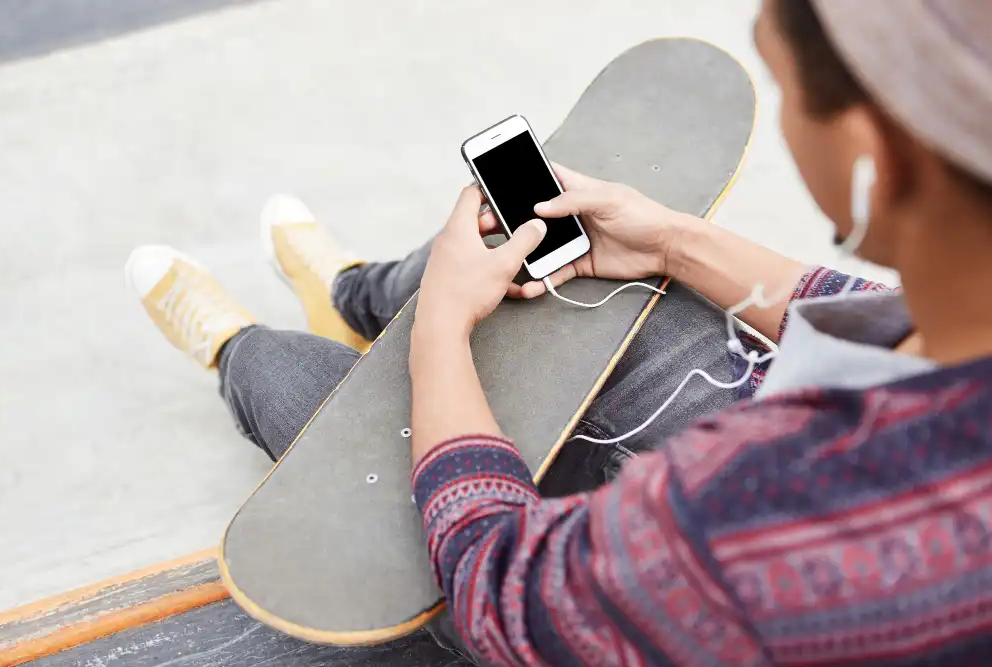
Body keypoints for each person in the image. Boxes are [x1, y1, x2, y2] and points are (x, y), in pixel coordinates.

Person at [127, 0, 992, 663]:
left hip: (631, 580)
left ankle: (234, 342)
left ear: (878, 152)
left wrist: (439, 333)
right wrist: (673, 240)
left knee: (290, 378)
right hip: (738, 450)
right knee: (520, 261)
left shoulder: (747, 519)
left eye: (784, 88)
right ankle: (355, 292)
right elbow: (894, 322)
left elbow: (497, 580)